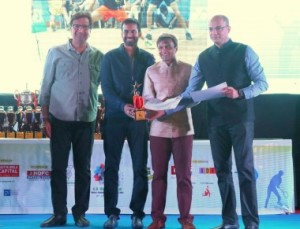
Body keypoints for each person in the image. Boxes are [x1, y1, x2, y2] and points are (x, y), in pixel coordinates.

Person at [147, 15, 269, 229]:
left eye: (219, 29)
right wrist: (164, 112)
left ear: (228, 28)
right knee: (222, 172)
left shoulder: (245, 51)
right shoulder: (203, 57)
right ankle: (230, 221)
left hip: (241, 120)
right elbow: (190, 93)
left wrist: (240, 92)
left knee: (245, 171)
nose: (214, 33)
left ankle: (251, 222)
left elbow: (262, 83)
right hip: (216, 122)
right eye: (211, 29)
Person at [39, 11, 103, 228]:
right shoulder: (55, 53)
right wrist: (45, 116)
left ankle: (80, 214)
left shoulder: (98, 56)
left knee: (83, 169)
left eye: (86, 26)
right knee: (58, 168)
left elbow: (106, 88)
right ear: (70, 27)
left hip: (86, 120)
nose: (81, 30)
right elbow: (46, 85)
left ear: (90, 30)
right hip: (59, 119)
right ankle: (59, 214)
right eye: (77, 25)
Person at [100, 18, 155, 229]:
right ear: (121, 33)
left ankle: (137, 214)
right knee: (111, 167)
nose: (129, 34)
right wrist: (123, 107)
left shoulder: (148, 58)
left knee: (140, 167)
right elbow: (106, 88)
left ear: (139, 33)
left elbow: (152, 88)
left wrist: (143, 108)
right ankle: (111, 213)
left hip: (139, 120)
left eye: (133, 31)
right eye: (126, 31)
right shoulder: (110, 57)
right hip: (115, 117)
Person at [143, 33, 195, 229]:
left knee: (184, 177)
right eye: (161, 47)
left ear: (176, 48)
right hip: (158, 129)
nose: (164, 50)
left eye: (168, 47)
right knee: (158, 176)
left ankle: (186, 220)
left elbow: (193, 98)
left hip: (183, 129)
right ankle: (157, 219)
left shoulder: (188, 69)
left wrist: (172, 105)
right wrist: (160, 107)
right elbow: (147, 97)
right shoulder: (151, 70)